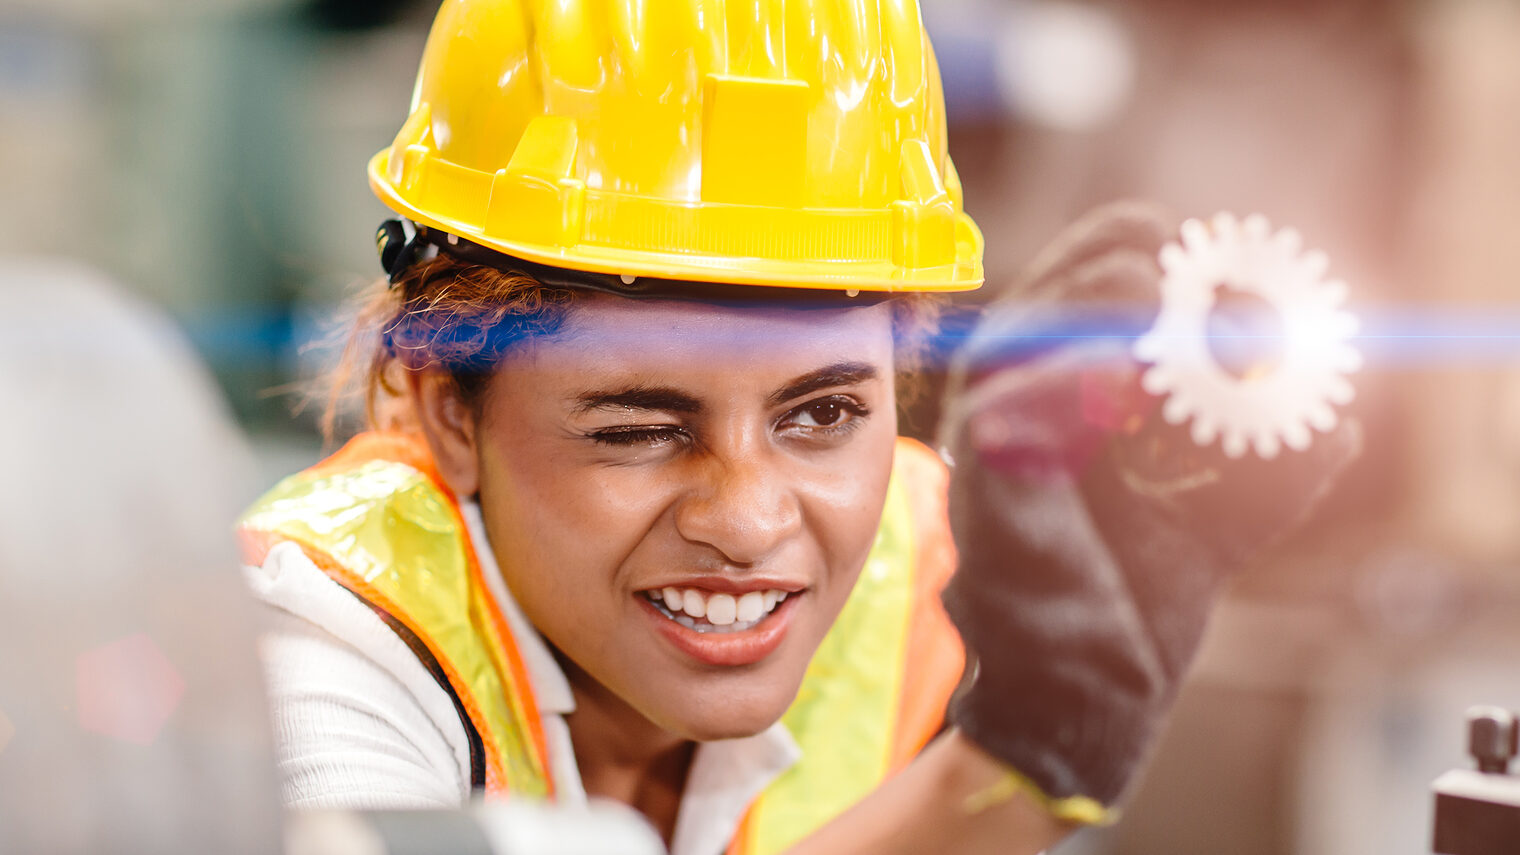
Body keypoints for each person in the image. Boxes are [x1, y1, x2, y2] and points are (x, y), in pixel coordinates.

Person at [239, 2, 1357, 853]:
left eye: (822, 414)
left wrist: (1046, 729)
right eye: (638, 428)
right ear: (447, 408)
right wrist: (1001, 773)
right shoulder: (323, 649)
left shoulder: (943, 580)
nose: (749, 520)